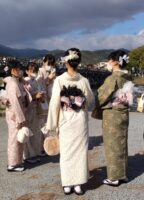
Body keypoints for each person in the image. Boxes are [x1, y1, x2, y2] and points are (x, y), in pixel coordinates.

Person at [46, 48, 94, 195]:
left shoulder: (60, 80)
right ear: (78, 62)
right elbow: (90, 99)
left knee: (66, 153)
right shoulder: (84, 80)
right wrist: (80, 103)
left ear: (66, 62)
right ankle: (78, 184)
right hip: (79, 120)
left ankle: (67, 184)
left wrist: (51, 125)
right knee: (80, 152)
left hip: (65, 120)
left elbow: (55, 103)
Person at [97, 50, 132, 186]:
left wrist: (98, 94)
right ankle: (122, 174)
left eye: (110, 60)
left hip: (113, 114)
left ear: (116, 62)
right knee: (122, 142)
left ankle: (114, 177)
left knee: (112, 144)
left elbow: (102, 95)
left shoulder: (113, 78)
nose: (108, 63)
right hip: (124, 111)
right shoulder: (128, 76)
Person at [2, 60, 31, 172]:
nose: (21, 71)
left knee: (18, 138)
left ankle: (17, 162)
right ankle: (12, 164)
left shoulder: (16, 81)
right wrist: (20, 119)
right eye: (19, 69)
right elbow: (15, 103)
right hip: (14, 114)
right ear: (13, 71)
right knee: (14, 139)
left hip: (16, 112)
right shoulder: (12, 84)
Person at [23, 62, 46, 163]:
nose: (34, 73)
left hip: (36, 108)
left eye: (35, 71)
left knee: (36, 132)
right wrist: (34, 97)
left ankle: (35, 153)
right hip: (29, 110)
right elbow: (24, 97)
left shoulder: (35, 81)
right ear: (27, 71)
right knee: (30, 132)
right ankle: (28, 155)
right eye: (32, 71)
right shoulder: (25, 81)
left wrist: (41, 97)